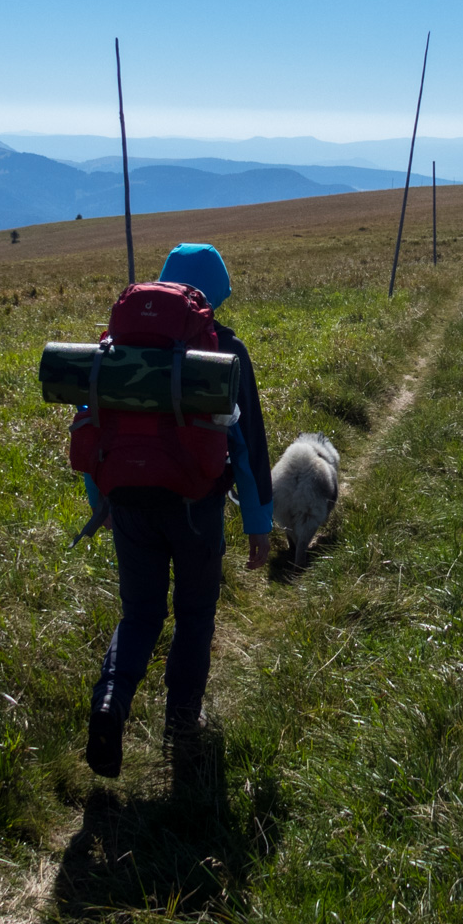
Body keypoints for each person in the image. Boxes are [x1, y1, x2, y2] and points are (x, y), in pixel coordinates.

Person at [84, 243, 273, 777]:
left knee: (140, 614)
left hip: (128, 505)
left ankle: (110, 704)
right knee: (194, 616)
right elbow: (247, 444)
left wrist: (102, 503)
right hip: (195, 507)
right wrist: (258, 523)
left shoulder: (118, 347)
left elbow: (93, 427)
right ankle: (181, 727)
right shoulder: (225, 351)